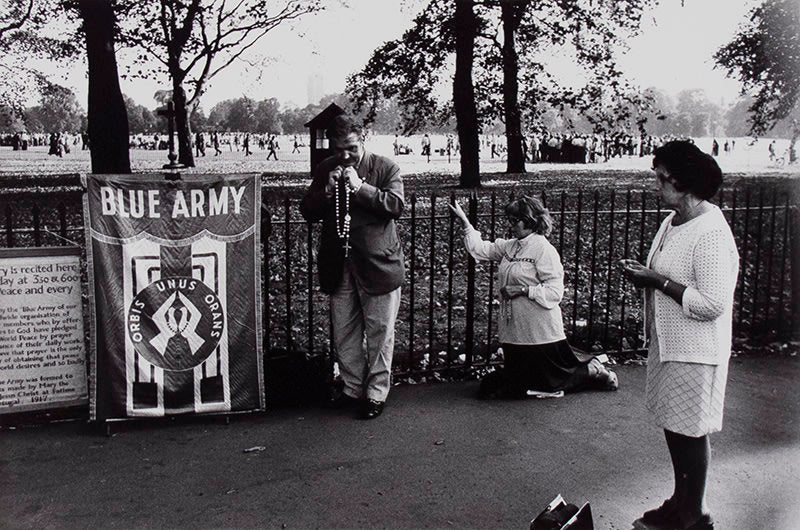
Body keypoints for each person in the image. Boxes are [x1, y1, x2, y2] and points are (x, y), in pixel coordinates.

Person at [621, 140, 739, 530]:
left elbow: (712, 303)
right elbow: (666, 271)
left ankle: (695, 511)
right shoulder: (673, 221)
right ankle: (680, 499)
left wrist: (655, 279)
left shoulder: (711, 231)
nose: (656, 186)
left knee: (691, 430)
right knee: (675, 426)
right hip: (670, 343)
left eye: (662, 179)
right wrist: (647, 272)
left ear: (685, 183)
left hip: (697, 350)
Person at [449, 196, 618, 399]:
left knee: (551, 381)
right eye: (509, 220)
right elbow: (481, 249)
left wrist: (523, 290)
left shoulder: (544, 250)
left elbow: (555, 292)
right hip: (515, 330)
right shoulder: (511, 246)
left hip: (539, 332)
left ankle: (594, 370)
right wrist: (465, 221)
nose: (511, 226)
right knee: (494, 387)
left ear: (529, 220)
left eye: (515, 221)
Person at [300, 114, 405, 420]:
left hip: (377, 264)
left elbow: (396, 206)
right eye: (338, 149)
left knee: (379, 331)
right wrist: (327, 192)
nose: (345, 156)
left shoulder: (385, 167)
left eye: (351, 148)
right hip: (339, 263)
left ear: (364, 140)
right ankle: (351, 388)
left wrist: (362, 188)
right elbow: (307, 210)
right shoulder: (325, 169)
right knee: (344, 331)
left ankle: (375, 393)